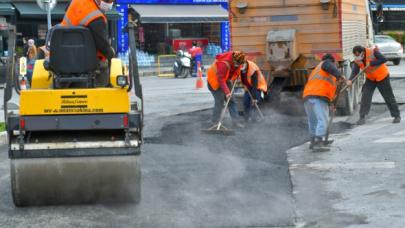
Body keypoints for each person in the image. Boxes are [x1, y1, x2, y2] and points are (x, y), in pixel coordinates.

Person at [60, 0, 115, 87]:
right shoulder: (96, 18)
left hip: (64, 55)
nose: (110, 4)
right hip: (84, 61)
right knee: (105, 63)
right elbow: (103, 46)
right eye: (107, 1)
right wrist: (111, 53)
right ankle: (100, 89)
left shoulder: (76, 2)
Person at [347, 45, 401, 125]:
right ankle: (362, 117)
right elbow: (355, 72)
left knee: (388, 97)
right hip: (371, 79)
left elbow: (384, 59)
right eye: (356, 55)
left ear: (362, 52)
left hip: (382, 77)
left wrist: (372, 63)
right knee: (365, 97)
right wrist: (350, 80)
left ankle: (396, 116)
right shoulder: (357, 60)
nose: (357, 57)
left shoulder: (372, 52)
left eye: (358, 55)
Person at [303, 54, 344, 151]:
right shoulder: (326, 63)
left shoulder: (319, 70)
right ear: (332, 61)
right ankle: (318, 142)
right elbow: (328, 65)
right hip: (318, 97)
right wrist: (340, 75)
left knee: (313, 121)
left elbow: (331, 93)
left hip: (308, 97)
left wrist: (332, 104)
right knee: (323, 120)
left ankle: (313, 141)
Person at [207, 51, 246, 127]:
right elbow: (220, 79)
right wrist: (227, 92)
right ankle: (214, 122)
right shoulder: (224, 64)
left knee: (231, 100)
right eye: (237, 64)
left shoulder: (238, 59)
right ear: (234, 60)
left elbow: (235, 72)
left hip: (225, 79)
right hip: (214, 81)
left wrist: (237, 76)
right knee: (220, 101)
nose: (238, 66)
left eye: (239, 65)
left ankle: (236, 122)